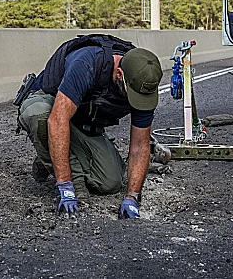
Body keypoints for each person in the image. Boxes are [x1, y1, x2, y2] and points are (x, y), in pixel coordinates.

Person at [17, 34, 166, 218]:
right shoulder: (87, 63)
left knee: (110, 182)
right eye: (132, 95)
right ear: (119, 74)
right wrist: (66, 186)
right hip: (51, 106)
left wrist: (133, 197)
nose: (137, 101)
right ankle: (60, 163)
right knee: (38, 115)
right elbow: (58, 120)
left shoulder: (143, 83)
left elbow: (140, 145)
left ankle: (52, 152)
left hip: (82, 120)